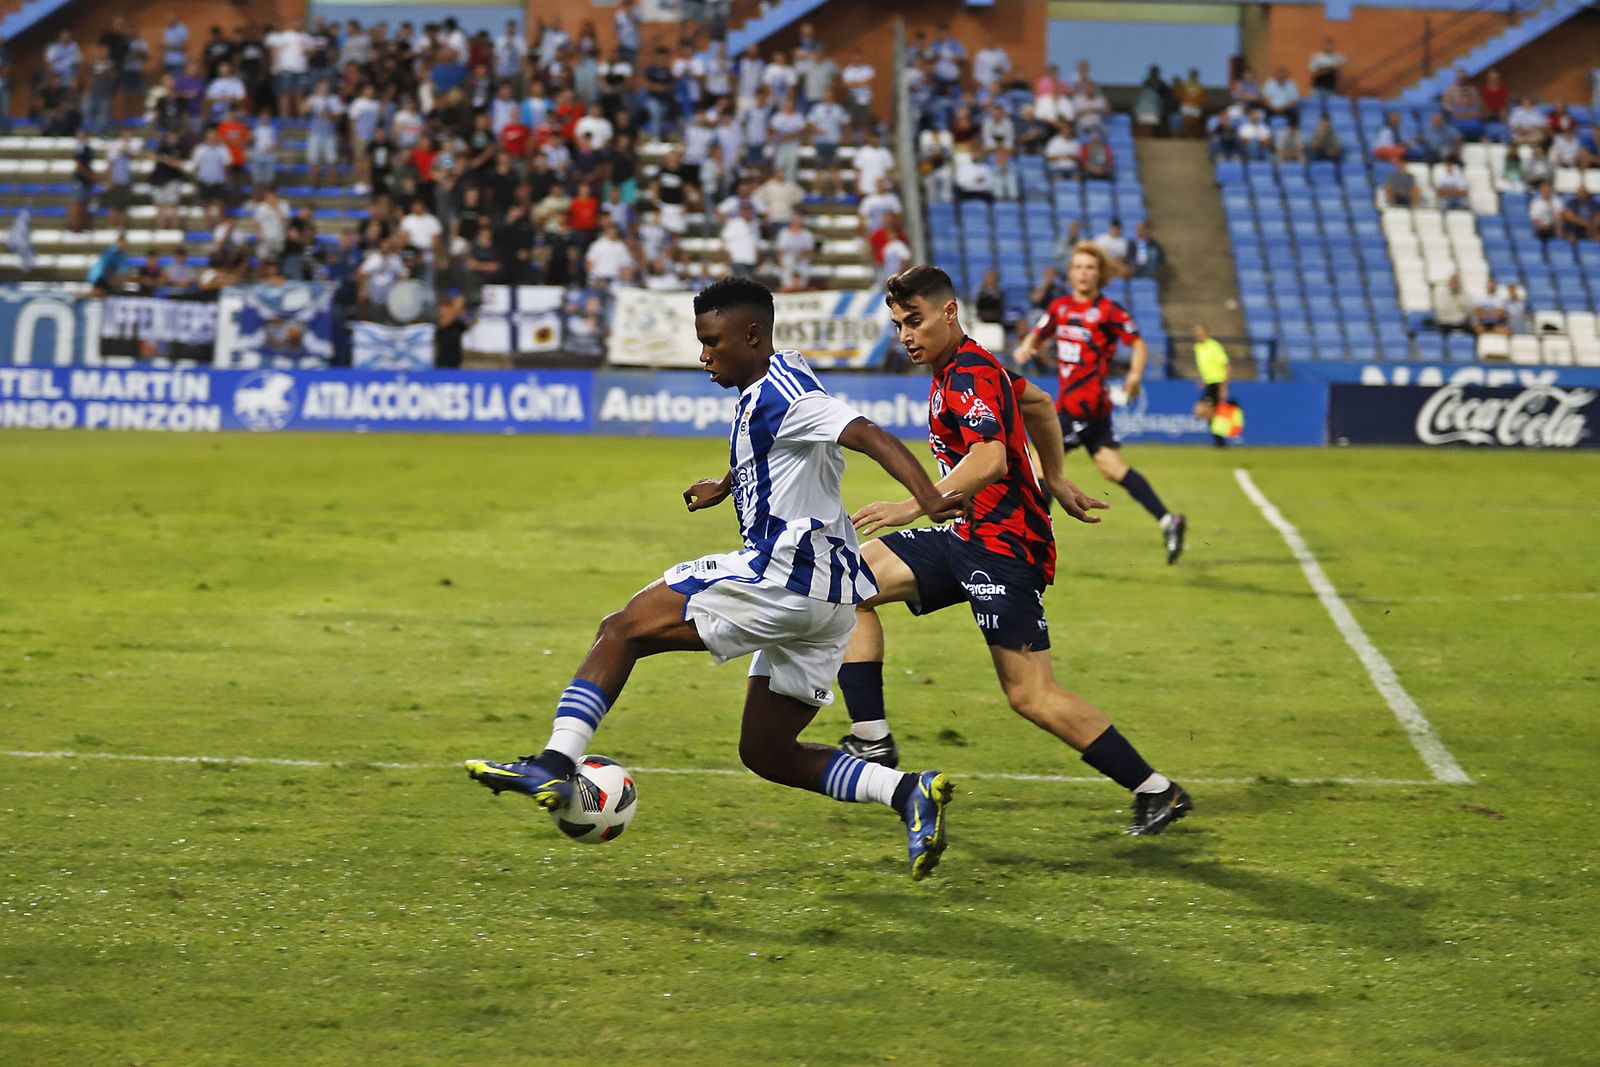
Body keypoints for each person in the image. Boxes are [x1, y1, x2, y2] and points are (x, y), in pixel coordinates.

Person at [465, 278, 968, 881]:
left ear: (752, 336)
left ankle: (554, 761)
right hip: (832, 601)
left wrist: (931, 498)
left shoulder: (788, 393)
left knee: (622, 629)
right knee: (766, 751)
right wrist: (727, 482)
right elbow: (779, 446)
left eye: (713, 342)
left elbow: (865, 433)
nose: (704, 354)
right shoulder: (774, 379)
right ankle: (907, 791)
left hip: (786, 574)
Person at [832, 264, 1193, 838]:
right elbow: (1043, 405)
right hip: (966, 535)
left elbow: (992, 458)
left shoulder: (970, 374)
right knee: (845, 582)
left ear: (949, 313)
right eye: (899, 324)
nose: (905, 335)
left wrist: (914, 503)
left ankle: (1158, 791)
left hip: (1004, 548)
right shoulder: (966, 365)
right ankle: (873, 740)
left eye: (915, 320)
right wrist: (1055, 477)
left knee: (1031, 695)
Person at [1014, 242, 1188, 564]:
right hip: (1082, 407)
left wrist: (1134, 375)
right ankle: (1168, 520)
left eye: (1090, 268)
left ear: (1100, 275)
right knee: (1112, 467)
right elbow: (1039, 331)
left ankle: (1033, 547)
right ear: (1071, 273)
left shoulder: (1109, 311)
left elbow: (1137, 343)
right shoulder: (1060, 307)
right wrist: (1027, 346)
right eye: (1078, 267)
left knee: (1040, 467)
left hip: (1084, 406)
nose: (1083, 273)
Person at [1191, 323, 1231, 447]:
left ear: (1207, 332)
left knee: (1199, 410)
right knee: (1208, 413)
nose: (1197, 334)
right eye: (1196, 331)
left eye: (1200, 331)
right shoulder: (1197, 347)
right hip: (1208, 383)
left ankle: (1220, 439)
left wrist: (1224, 386)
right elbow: (1206, 366)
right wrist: (1203, 380)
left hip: (1217, 383)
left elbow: (1227, 366)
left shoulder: (1214, 346)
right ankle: (1219, 441)